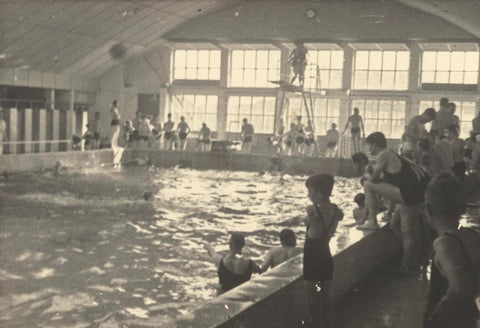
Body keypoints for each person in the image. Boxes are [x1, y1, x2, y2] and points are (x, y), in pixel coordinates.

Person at [362, 132, 430, 273]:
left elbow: (374, 179)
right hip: (418, 193)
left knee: (367, 184)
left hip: (409, 195)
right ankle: (416, 257)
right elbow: (394, 178)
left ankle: (372, 222)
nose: (369, 149)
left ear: (374, 144)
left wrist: (366, 174)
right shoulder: (393, 154)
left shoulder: (383, 155)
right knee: (396, 225)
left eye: (369, 145)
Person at [423, 173, 480, 328]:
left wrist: (436, 315)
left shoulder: (443, 244)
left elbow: (460, 287)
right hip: (468, 316)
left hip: (448, 321)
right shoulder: (472, 234)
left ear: (428, 208)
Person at [303, 174, 344, 327]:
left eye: (310, 191)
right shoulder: (336, 210)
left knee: (314, 300)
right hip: (326, 258)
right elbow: (338, 216)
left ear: (319, 193)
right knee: (326, 299)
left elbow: (307, 221)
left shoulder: (312, 210)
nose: (308, 195)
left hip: (312, 260)